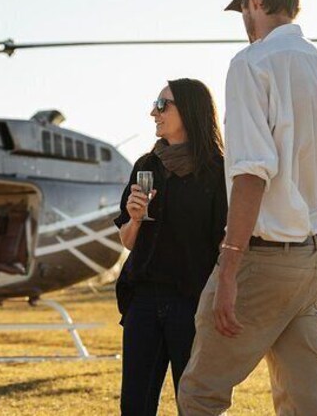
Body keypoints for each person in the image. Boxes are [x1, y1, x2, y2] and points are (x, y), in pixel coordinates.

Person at [178, 0, 317, 415]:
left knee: (201, 392)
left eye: (243, 8)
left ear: (255, 0)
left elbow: (252, 173)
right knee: (305, 403)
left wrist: (230, 267)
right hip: (313, 263)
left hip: (263, 258)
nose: (244, 19)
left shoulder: (250, 65)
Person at [114, 78, 227, 415]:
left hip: (192, 302)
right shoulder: (145, 166)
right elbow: (128, 241)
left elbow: (224, 243)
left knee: (192, 403)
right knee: (135, 405)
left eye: (163, 105)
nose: (154, 112)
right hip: (143, 300)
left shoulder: (218, 172)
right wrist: (134, 219)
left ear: (189, 111)